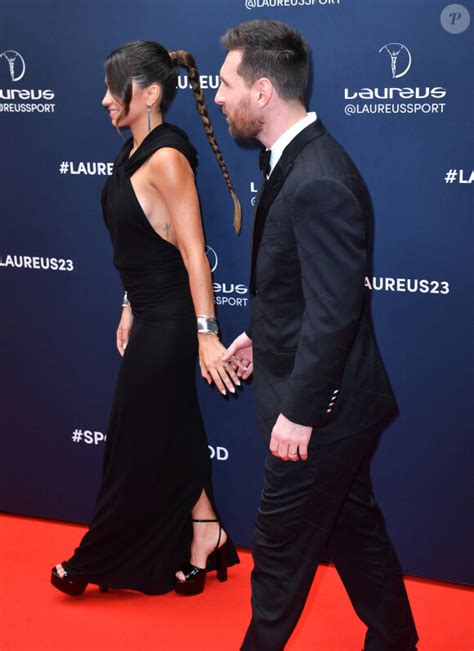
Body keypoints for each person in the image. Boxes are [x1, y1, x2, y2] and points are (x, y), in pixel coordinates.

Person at [216, 20, 418, 650]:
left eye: (226, 84)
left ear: (264, 92)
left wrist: (301, 413)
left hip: (322, 413)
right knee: (352, 527)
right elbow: (305, 290)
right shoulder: (292, 159)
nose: (218, 95)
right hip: (325, 397)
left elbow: (336, 314)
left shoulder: (321, 177)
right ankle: (395, 640)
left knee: (277, 554)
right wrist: (261, 334)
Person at [51, 40, 240, 597]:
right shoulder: (130, 154)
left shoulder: (167, 158)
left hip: (174, 322)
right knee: (173, 431)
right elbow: (143, 243)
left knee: (133, 442)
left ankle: (96, 557)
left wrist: (208, 336)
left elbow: (191, 252)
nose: (104, 99)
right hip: (149, 313)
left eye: (115, 88)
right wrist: (128, 306)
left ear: (150, 94)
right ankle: (208, 534)